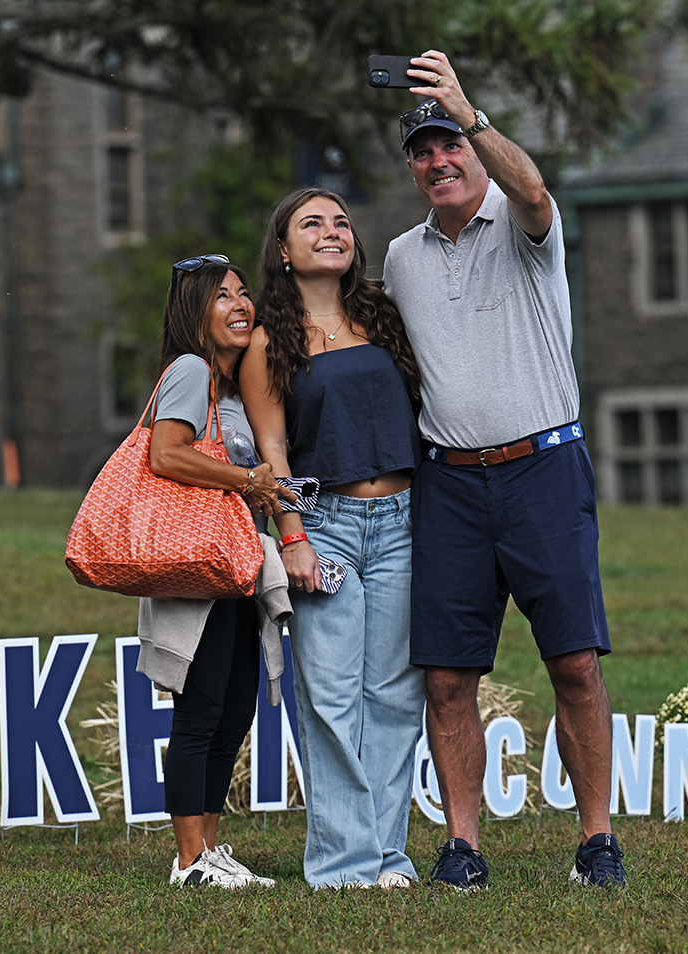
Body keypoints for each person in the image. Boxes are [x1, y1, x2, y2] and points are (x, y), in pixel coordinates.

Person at [381, 50, 626, 890]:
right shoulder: (402, 258)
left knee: (574, 662)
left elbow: (532, 190)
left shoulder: (527, 230)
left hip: (544, 469)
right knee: (448, 676)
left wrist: (471, 112)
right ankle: (462, 845)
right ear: (412, 169)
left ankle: (596, 841)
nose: (439, 161)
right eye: (423, 151)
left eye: (450, 145)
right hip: (449, 483)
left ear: (474, 149)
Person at [241, 189, 425, 889]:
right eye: (312, 223)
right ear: (283, 251)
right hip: (327, 528)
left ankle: (388, 857)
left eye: (342, 221)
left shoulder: (384, 318)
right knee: (331, 696)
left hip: (404, 522)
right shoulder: (269, 340)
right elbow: (273, 447)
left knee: (394, 695)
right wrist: (292, 537)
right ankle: (345, 863)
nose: (332, 231)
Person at [135, 253, 295, 889]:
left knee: (234, 710)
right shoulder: (190, 370)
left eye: (242, 292)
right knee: (200, 711)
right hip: (194, 566)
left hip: (233, 563)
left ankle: (211, 850)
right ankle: (188, 860)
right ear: (193, 313)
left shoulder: (228, 389)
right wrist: (243, 478)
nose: (240, 304)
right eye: (221, 297)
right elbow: (165, 453)